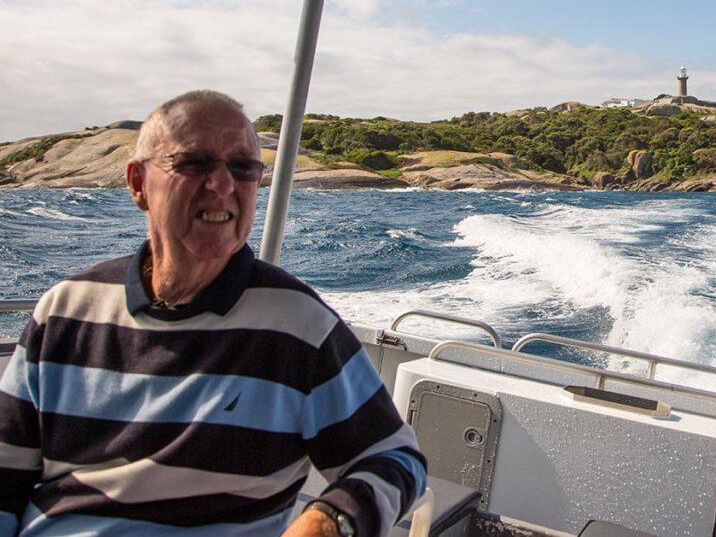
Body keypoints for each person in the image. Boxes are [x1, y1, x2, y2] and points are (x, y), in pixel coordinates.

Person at [0, 90, 426, 536]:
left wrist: (328, 521)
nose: (222, 184)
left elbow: (395, 460)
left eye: (243, 169)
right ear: (138, 183)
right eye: (195, 163)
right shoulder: (66, 310)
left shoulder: (297, 325)